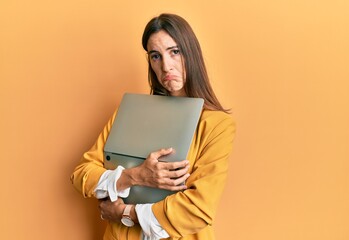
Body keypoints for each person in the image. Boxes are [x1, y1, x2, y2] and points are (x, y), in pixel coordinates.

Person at [71, 13, 236, 240]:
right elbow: (82, 174)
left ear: (191, 53)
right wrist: (134, 176)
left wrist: (124, 212)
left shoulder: (217, 125)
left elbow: (198, 209)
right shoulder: (129, 111)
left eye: (174, 52)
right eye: (155, 56)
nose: (166, 66)